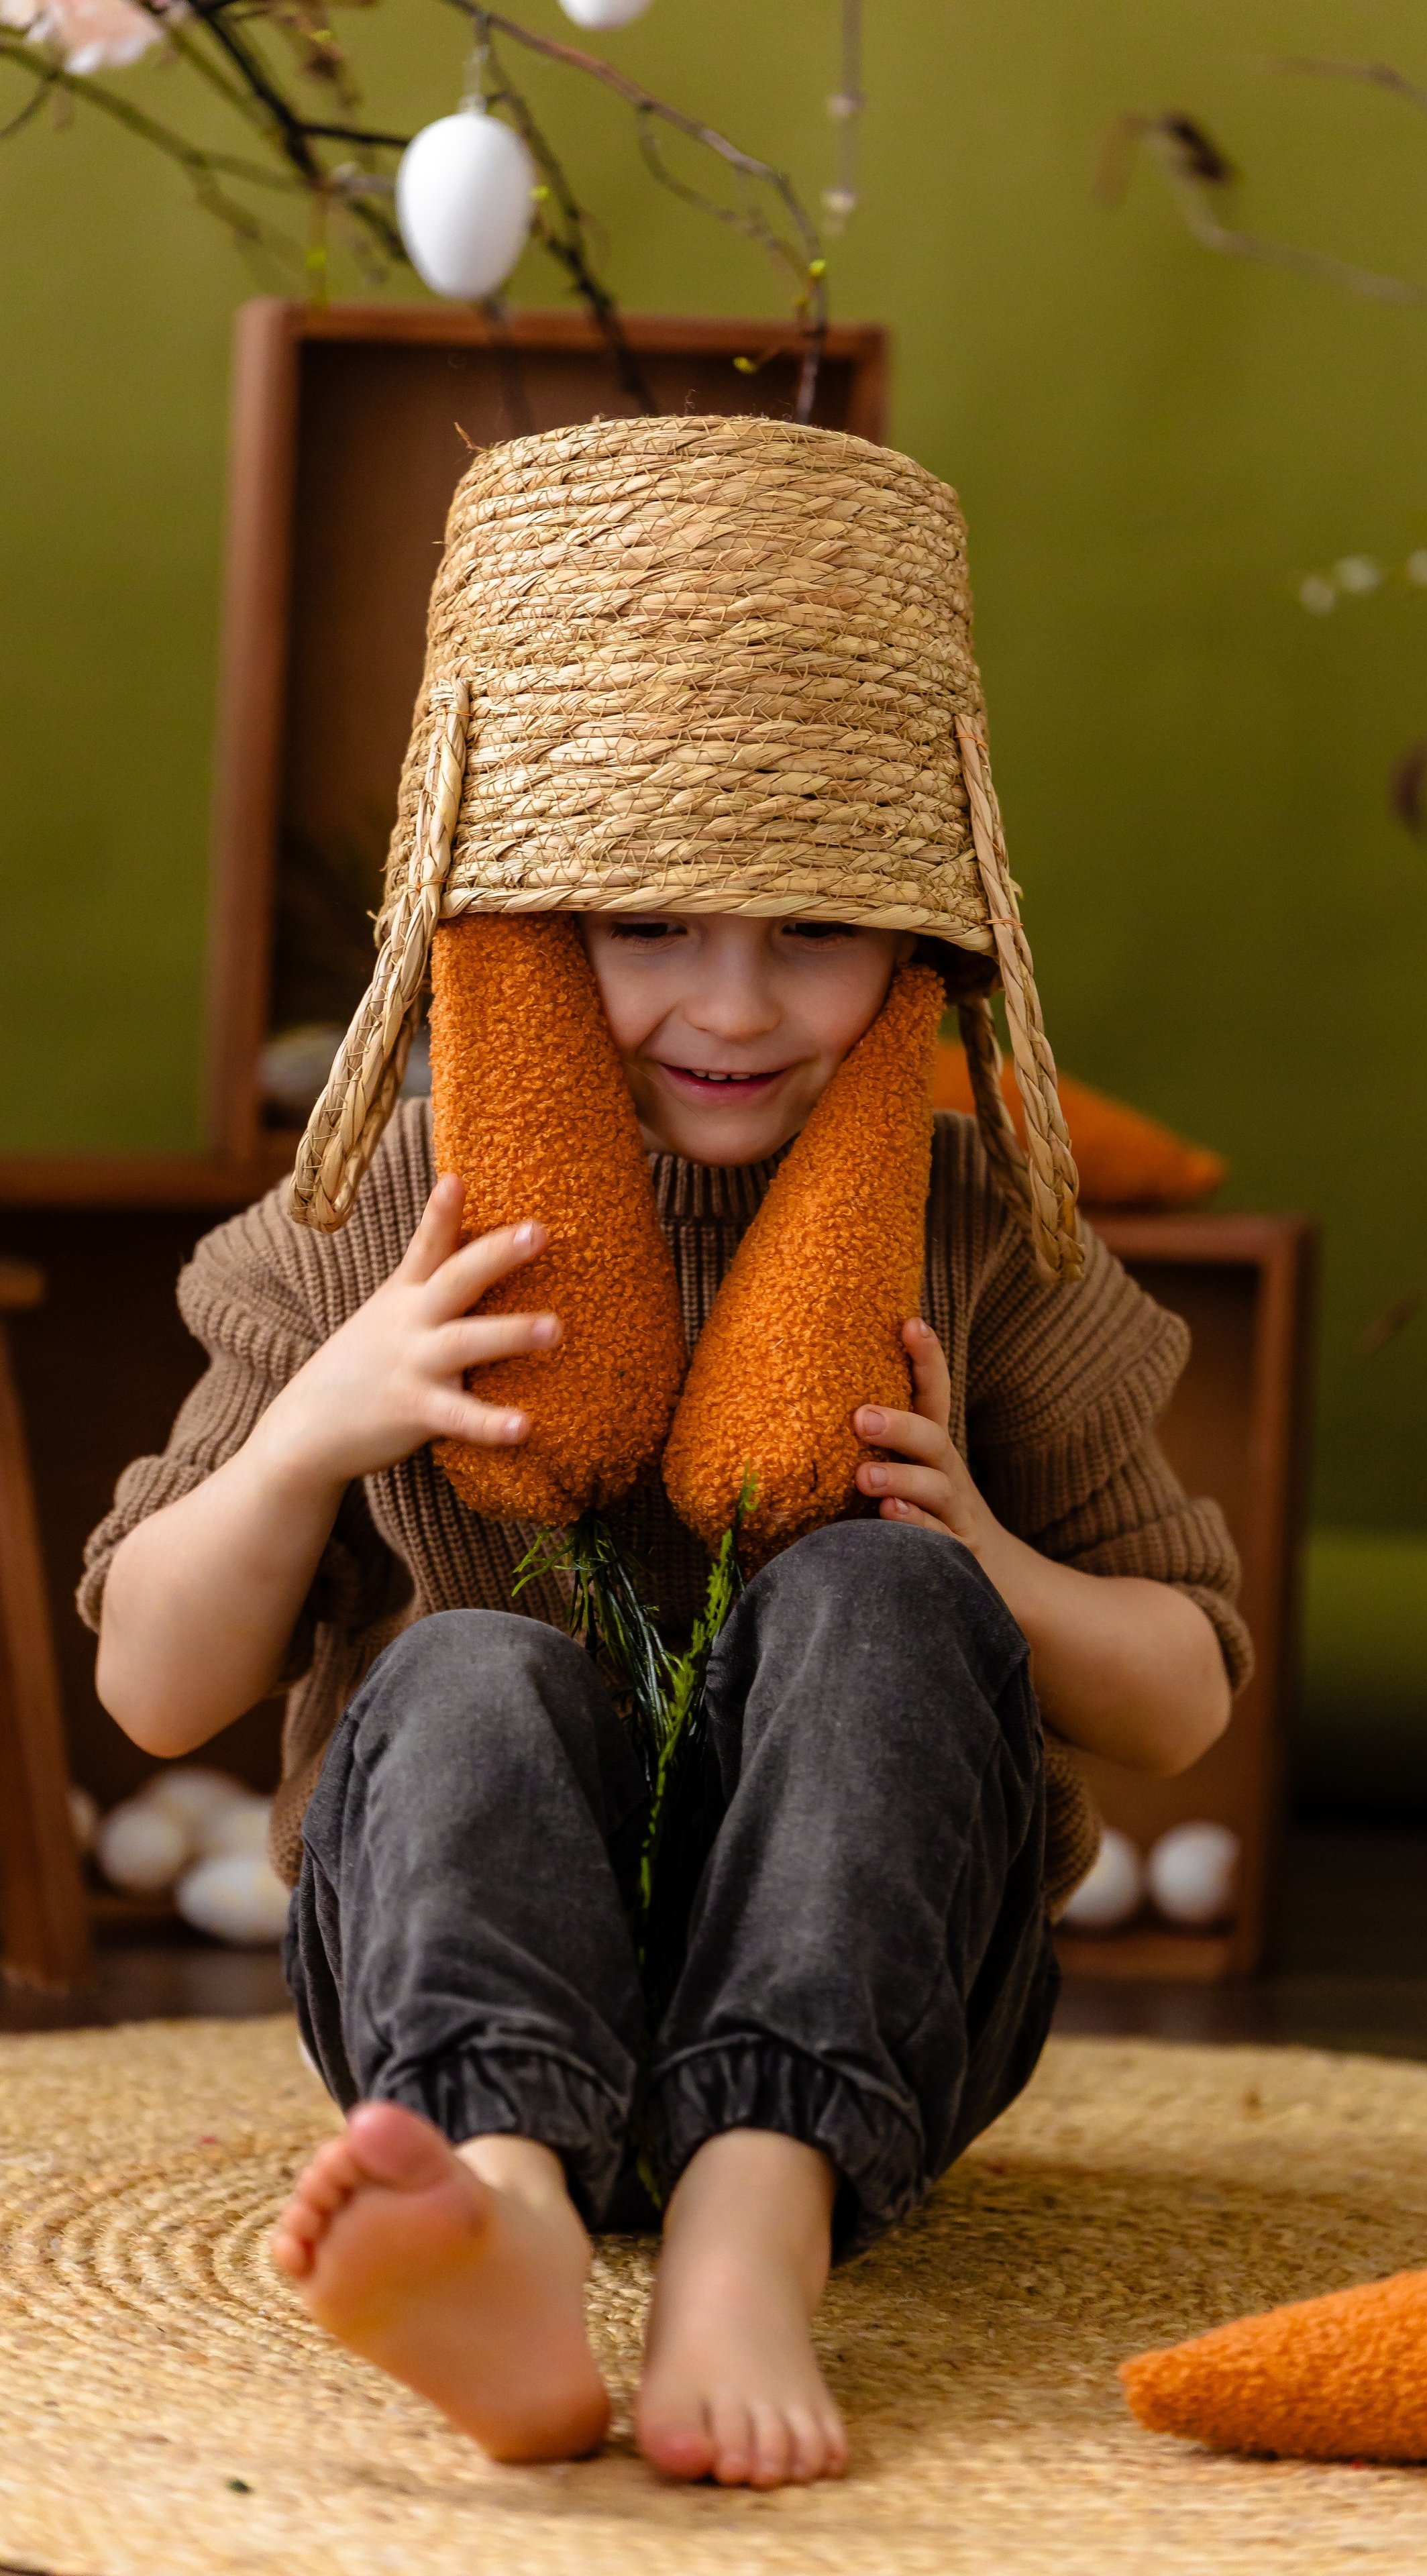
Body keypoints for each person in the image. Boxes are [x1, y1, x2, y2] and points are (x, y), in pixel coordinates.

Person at [81, 416, 1249, 2491]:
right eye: (646, 930)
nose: (732, 1003)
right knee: (464, 1661)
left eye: (810, 932)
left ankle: (750, 2220)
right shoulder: (382, 1214)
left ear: (923, 944)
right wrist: (318, 1433)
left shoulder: (966, 1229)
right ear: (515, 930)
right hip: (453, 2018)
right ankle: (508, 2223)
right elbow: (157, 1680)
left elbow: (1179, 1698)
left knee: (880, 1590)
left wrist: (985, 1550)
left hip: (882, 2024)